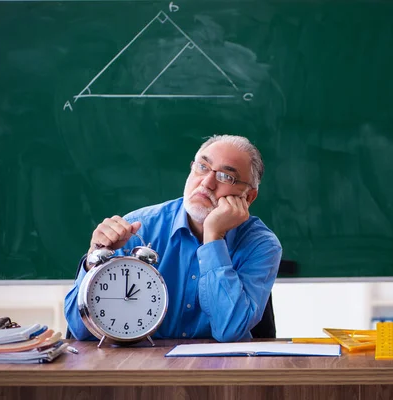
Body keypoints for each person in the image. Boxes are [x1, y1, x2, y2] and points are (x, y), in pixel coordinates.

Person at [64, 134, 282, 342]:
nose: (207, 183)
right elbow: (80, 329)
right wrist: (95, 256)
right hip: (140, 368)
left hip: (219, 374)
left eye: (226, 176)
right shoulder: (139, 227)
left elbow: (230, 330)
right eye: (202, 167)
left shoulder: (261, 245)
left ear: (249, 196)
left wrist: (213, 237)